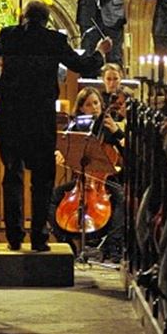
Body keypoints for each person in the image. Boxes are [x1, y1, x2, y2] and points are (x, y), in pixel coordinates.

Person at [0, 0, 111, 251]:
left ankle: (13, 237)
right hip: (41, 115)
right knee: (43, 178)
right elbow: (83, 65)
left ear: (24, 17)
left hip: (10, 114)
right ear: (46, 20)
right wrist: (100, 51)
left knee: (12, 174)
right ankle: (39, 238)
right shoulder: (54, 40)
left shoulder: (9, 35)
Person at [49, 87, 125, 257]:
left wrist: (117, 131)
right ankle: (66, 242)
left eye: (97, 103)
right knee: (53, 196)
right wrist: (60, 153)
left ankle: (113, 248)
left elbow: (127, 151)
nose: (95, 107)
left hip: (105, 182)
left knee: (121, 197)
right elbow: (63, 144)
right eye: (89, 104)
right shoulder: (77, 126)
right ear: (82, 108)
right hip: (81, 181)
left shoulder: (109, 127)